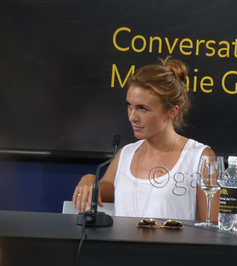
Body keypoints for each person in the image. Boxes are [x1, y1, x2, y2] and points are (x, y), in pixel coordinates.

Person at [72, 57, 219, 221]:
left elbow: (211, 232)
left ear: (172, 112)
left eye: (142, 108)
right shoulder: (125, 154)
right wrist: (89, 178)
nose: (132, 117)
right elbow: (99, 191)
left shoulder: (200, 157)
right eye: (129, 106)